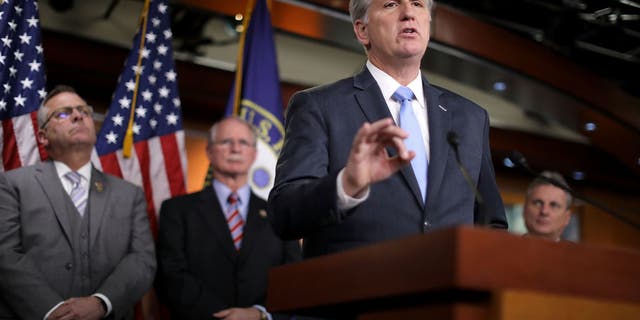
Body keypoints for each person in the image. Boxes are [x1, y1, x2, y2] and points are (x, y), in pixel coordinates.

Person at [268, 0, 508, 258]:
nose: (408, 14)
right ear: (362, 31)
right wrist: (346, 185)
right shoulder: (319, 107)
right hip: (360, 290)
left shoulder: (471, 117)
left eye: (417, 4)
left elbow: (491, 222)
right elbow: (285, 214)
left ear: (428, 22)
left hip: (450, 292)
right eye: (391, 4)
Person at [0, 85, 156, 320]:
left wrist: (101, 303)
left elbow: (142, 260)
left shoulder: (129, 194)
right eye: (63, 113)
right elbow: (5, 254)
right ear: (42, 136)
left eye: (84, 111)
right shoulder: (12, 184)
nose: (78, 115)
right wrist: (54, 312)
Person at [155, 117, 302, 320]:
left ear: (254, 154)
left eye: (243, 143)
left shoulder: (279, 213)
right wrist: (223, 316)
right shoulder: (177, 210)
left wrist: (260, 313)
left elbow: (292, 277)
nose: (235, 149)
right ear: (209, 151)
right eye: (226, 142)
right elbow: (170, 275)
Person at [523, 171, 573, 241]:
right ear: (524, 210)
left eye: (554, 205)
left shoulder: (577, 252)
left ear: (567, 217)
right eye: (538, 203)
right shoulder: (506, 248)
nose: (544, 211)